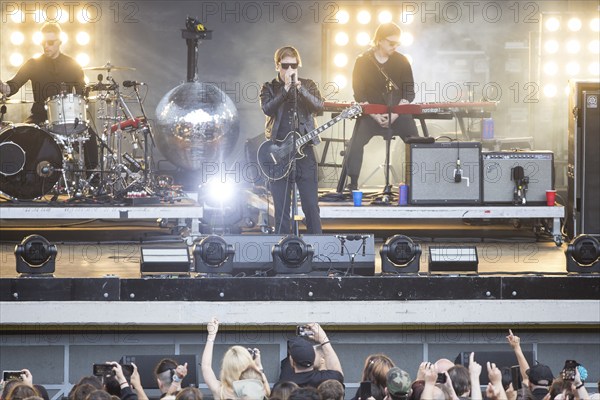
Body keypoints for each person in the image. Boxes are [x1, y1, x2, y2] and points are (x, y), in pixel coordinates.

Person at [0, 22, 98, 170]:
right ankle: (25, 181)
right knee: (21, 135)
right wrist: (3, 87)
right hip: (40, 116)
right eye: (43, 42)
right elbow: (12, 86)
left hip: (67, 118)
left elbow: (81, 94)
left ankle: (93, 179)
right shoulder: (33, 63)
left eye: (50, 42)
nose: (46, 46)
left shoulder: (73, 64)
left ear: (59, 42)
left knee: (90, 137)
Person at [344, 22, 418, 191]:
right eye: (392, 43)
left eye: (398, 43)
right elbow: (359, 94)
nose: (395, 47)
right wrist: (375, 115)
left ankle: (419, 183)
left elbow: (409, 92)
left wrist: (396, 114)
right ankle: (353, 182)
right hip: (371, 115)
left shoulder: (402, 61)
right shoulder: (362, 61)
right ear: (379, 40)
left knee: (417, 143)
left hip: (398, 114)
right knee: (354, 143)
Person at [260, 45, 324, 234]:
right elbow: (267, 109)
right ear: (277, 66)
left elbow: (319, 107)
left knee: (312, 206)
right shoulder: (269, 87)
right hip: (278, 152)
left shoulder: (308, 84)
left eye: (293, 66)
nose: (290, 70)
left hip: (304, 153)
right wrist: (285, 90)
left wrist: (300, 89)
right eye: (285, 66)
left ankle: (318, 250)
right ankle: (282, 253)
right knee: (281, 209)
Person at [276, 323, 343, 388]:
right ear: (313, 358)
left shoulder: (284, 384)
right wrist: (324, 340)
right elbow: (338, 374)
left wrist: (299, 340)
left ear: (292, 361)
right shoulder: (323, 380)